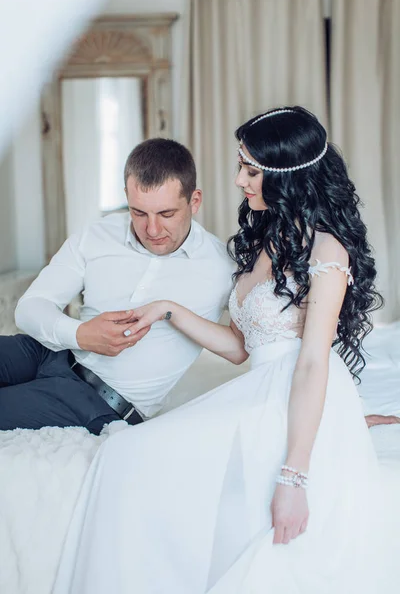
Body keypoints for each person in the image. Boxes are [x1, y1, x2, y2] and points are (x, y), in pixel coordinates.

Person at [53, 107, 397, 594]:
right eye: (241, 164)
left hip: (291, 391)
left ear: (288, 175)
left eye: (250, 169)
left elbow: (314, 361)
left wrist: (294, 478)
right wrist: (167, 308)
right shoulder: (266, 240)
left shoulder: (327, 250)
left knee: (133, 453)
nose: (238, 179)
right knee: (127, 451)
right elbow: (240, 347)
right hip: (263, 386)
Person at [0, 139, 234, 434]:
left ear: (194, 201)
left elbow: (243, 346)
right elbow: (30, 308)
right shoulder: (98, 234)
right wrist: (81, 334)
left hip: (97, 401)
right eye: (139, 212)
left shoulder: (223, 267)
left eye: (166, 214)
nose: (152, 230)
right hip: (50, 351)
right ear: (127, 195)